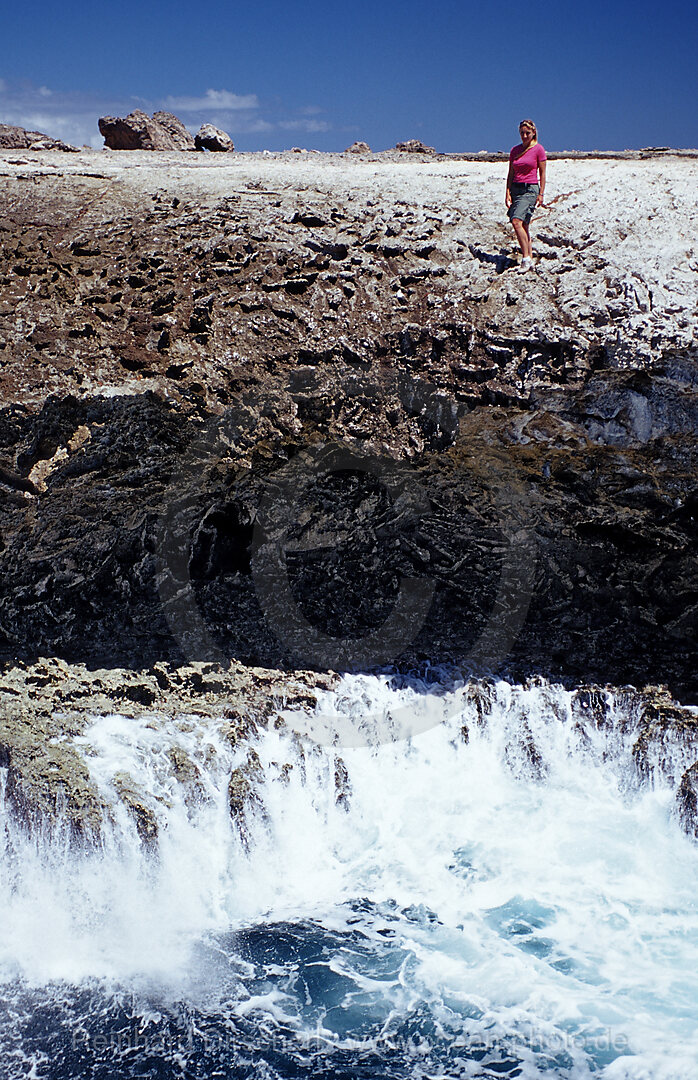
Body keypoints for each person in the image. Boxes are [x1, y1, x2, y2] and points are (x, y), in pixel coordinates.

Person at [505, 120, 546, 270]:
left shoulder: (538, 149)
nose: (524, 136)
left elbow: (542, 173)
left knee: (516, 221)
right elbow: (511, 173)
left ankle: (526, 257)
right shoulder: (515, 150)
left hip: (530, 189)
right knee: (523, 225)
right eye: (522, 133)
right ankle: (529, 258)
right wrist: (507, 192)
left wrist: (541, 194)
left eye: (527, 133)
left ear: (533, 133)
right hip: (516, 189)